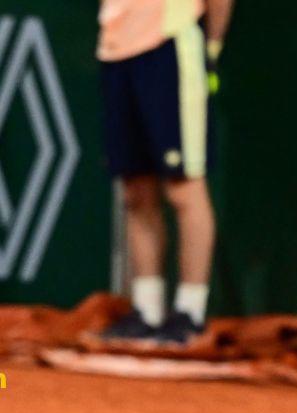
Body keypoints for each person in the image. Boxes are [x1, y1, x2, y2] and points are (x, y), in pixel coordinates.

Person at [97, 0, 235, 344]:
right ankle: (147, 309)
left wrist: (212, 48)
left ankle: (190, 313)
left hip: (172, 44)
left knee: (183, 188)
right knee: (135, 189)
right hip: (115, 49)